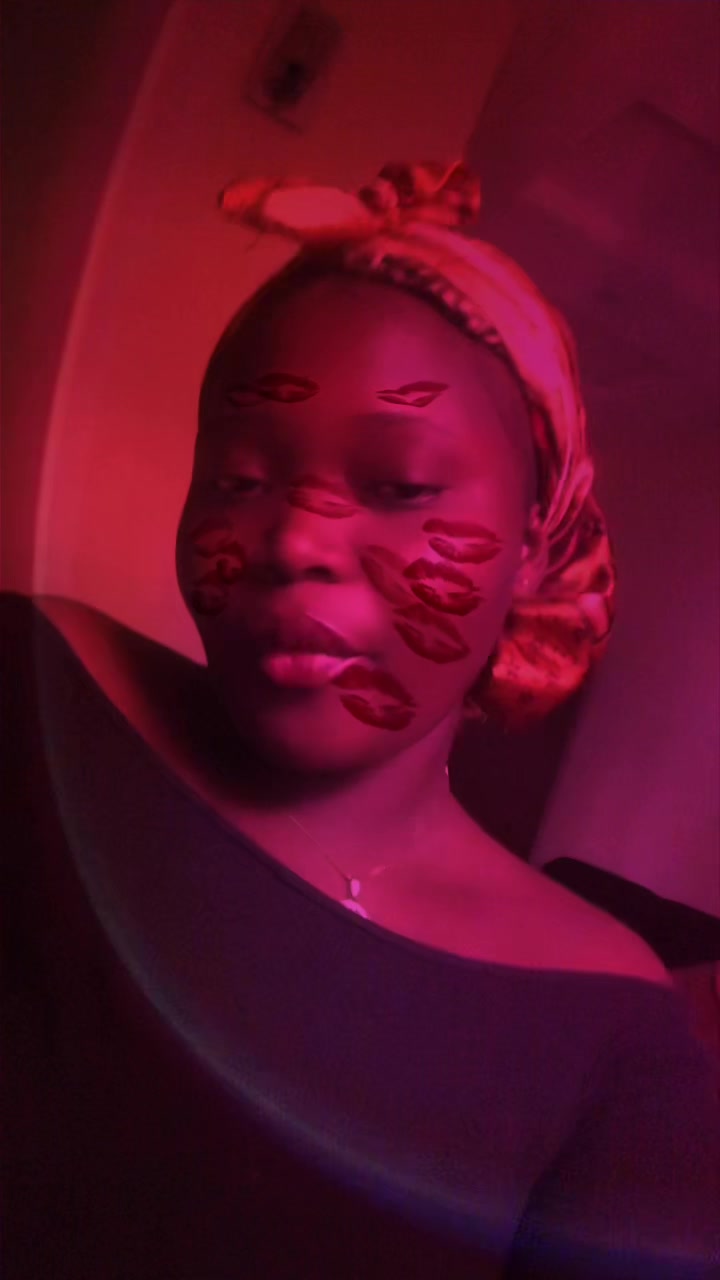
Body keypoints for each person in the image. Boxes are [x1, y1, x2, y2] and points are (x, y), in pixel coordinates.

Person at [2, 160, 718, 1280]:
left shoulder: (613, 1034)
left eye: (399, 486)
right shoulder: (34, 697)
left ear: (535, 543)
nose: (295, 540)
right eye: (239, 479)